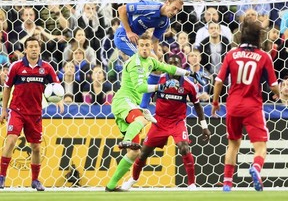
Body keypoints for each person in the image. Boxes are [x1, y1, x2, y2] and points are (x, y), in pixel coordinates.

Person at [105, 34, 198, 192]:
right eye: (141, 45)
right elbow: (141, 88)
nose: (145, 48)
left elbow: (169, 68)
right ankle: (126, 140)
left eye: (148, 45)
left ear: (151, 47)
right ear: (138, 47)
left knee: (135, 153)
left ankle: (111, 186)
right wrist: (160, 87)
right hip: (123, 101)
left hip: (133, 104)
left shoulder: (151, 61)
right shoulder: (135, 64)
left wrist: (189, 73)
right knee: (142, 119)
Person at [121, 54, 211, 191]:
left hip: (177, 122)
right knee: (143, 152)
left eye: (177, 64)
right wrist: (140, 116)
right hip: (159, 121)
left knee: (184, 147)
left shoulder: (188, 85)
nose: (174, 66)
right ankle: (133, 179)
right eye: (171, 64)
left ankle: (192, 184)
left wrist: (204, 126)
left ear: (181, 67)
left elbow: (197, 105)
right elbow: (145, 97)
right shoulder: (159, 81)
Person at [211, 18, 280, 192]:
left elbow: (219, 81)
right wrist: (278, 94)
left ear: (242, 35)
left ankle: (227, 184)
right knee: (261, 146)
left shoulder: (231, 54)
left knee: (233, 144)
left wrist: (215, 101)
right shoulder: (263, 57)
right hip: (253, 106)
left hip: (233, 105)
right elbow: (273, 85)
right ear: (259, 37)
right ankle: (256, 168)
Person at [0, 37, 64, 191]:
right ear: (26, 49)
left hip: (35, 113)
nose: (34, 49)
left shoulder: (47, 68)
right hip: (17, 111)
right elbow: (7, 88)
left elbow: (56, 87)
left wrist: (60, 101)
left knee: (36, 147)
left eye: (36, 46)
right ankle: (2, 177)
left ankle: (35, 180)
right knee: (11, 140)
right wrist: (4, 109)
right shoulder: (16, 66)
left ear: (40, 49)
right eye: (31, 46)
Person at [114, 0, 184, 121]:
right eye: (174, 8)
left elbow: (155, 41)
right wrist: (129, 31)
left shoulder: (164, 22)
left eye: (178, 10)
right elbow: (121, 9)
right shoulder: (149, 7)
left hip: (137, 42)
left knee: (156, 67)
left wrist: (157, 54)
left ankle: (143, 106)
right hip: (123, 37)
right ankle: (135, 99)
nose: (175, 12)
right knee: (148, 64)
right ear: (167, 2)